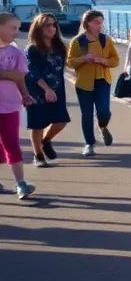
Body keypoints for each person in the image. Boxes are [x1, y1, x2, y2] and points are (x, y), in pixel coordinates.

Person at [66, 9, 119, 157]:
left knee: (104, 111)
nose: (100, 25)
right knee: (87, 114)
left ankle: (102, 126)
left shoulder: (105, 40)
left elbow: (115, 60)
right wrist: (84, 58)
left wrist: (102, 60)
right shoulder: (78, 41)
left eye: (101, 22)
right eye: (97, 22)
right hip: (84, 83)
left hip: (103, 80)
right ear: (87, 23)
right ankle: (89, 143)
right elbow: (70, 62)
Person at [25, 12, 70, 167]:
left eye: (54, 24)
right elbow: (32, 72)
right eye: (47, 25)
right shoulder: (32, 49)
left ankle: (46, 140)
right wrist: (46, 89)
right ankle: (38, 156)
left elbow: (62, 67)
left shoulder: (59, 46)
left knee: (61, 120)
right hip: (37, 90)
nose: (52, 28)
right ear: (39, 28)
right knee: (37, 123)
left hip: (57, 88)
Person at [0, 12, 35, 200]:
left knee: (11, 143)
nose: (17, 31)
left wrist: (25, 94)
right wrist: (8, 74)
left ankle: (21, 183)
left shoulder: (16, 53)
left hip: (10, 105)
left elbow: (20, 77)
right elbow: (13, 75)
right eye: (13, 28)